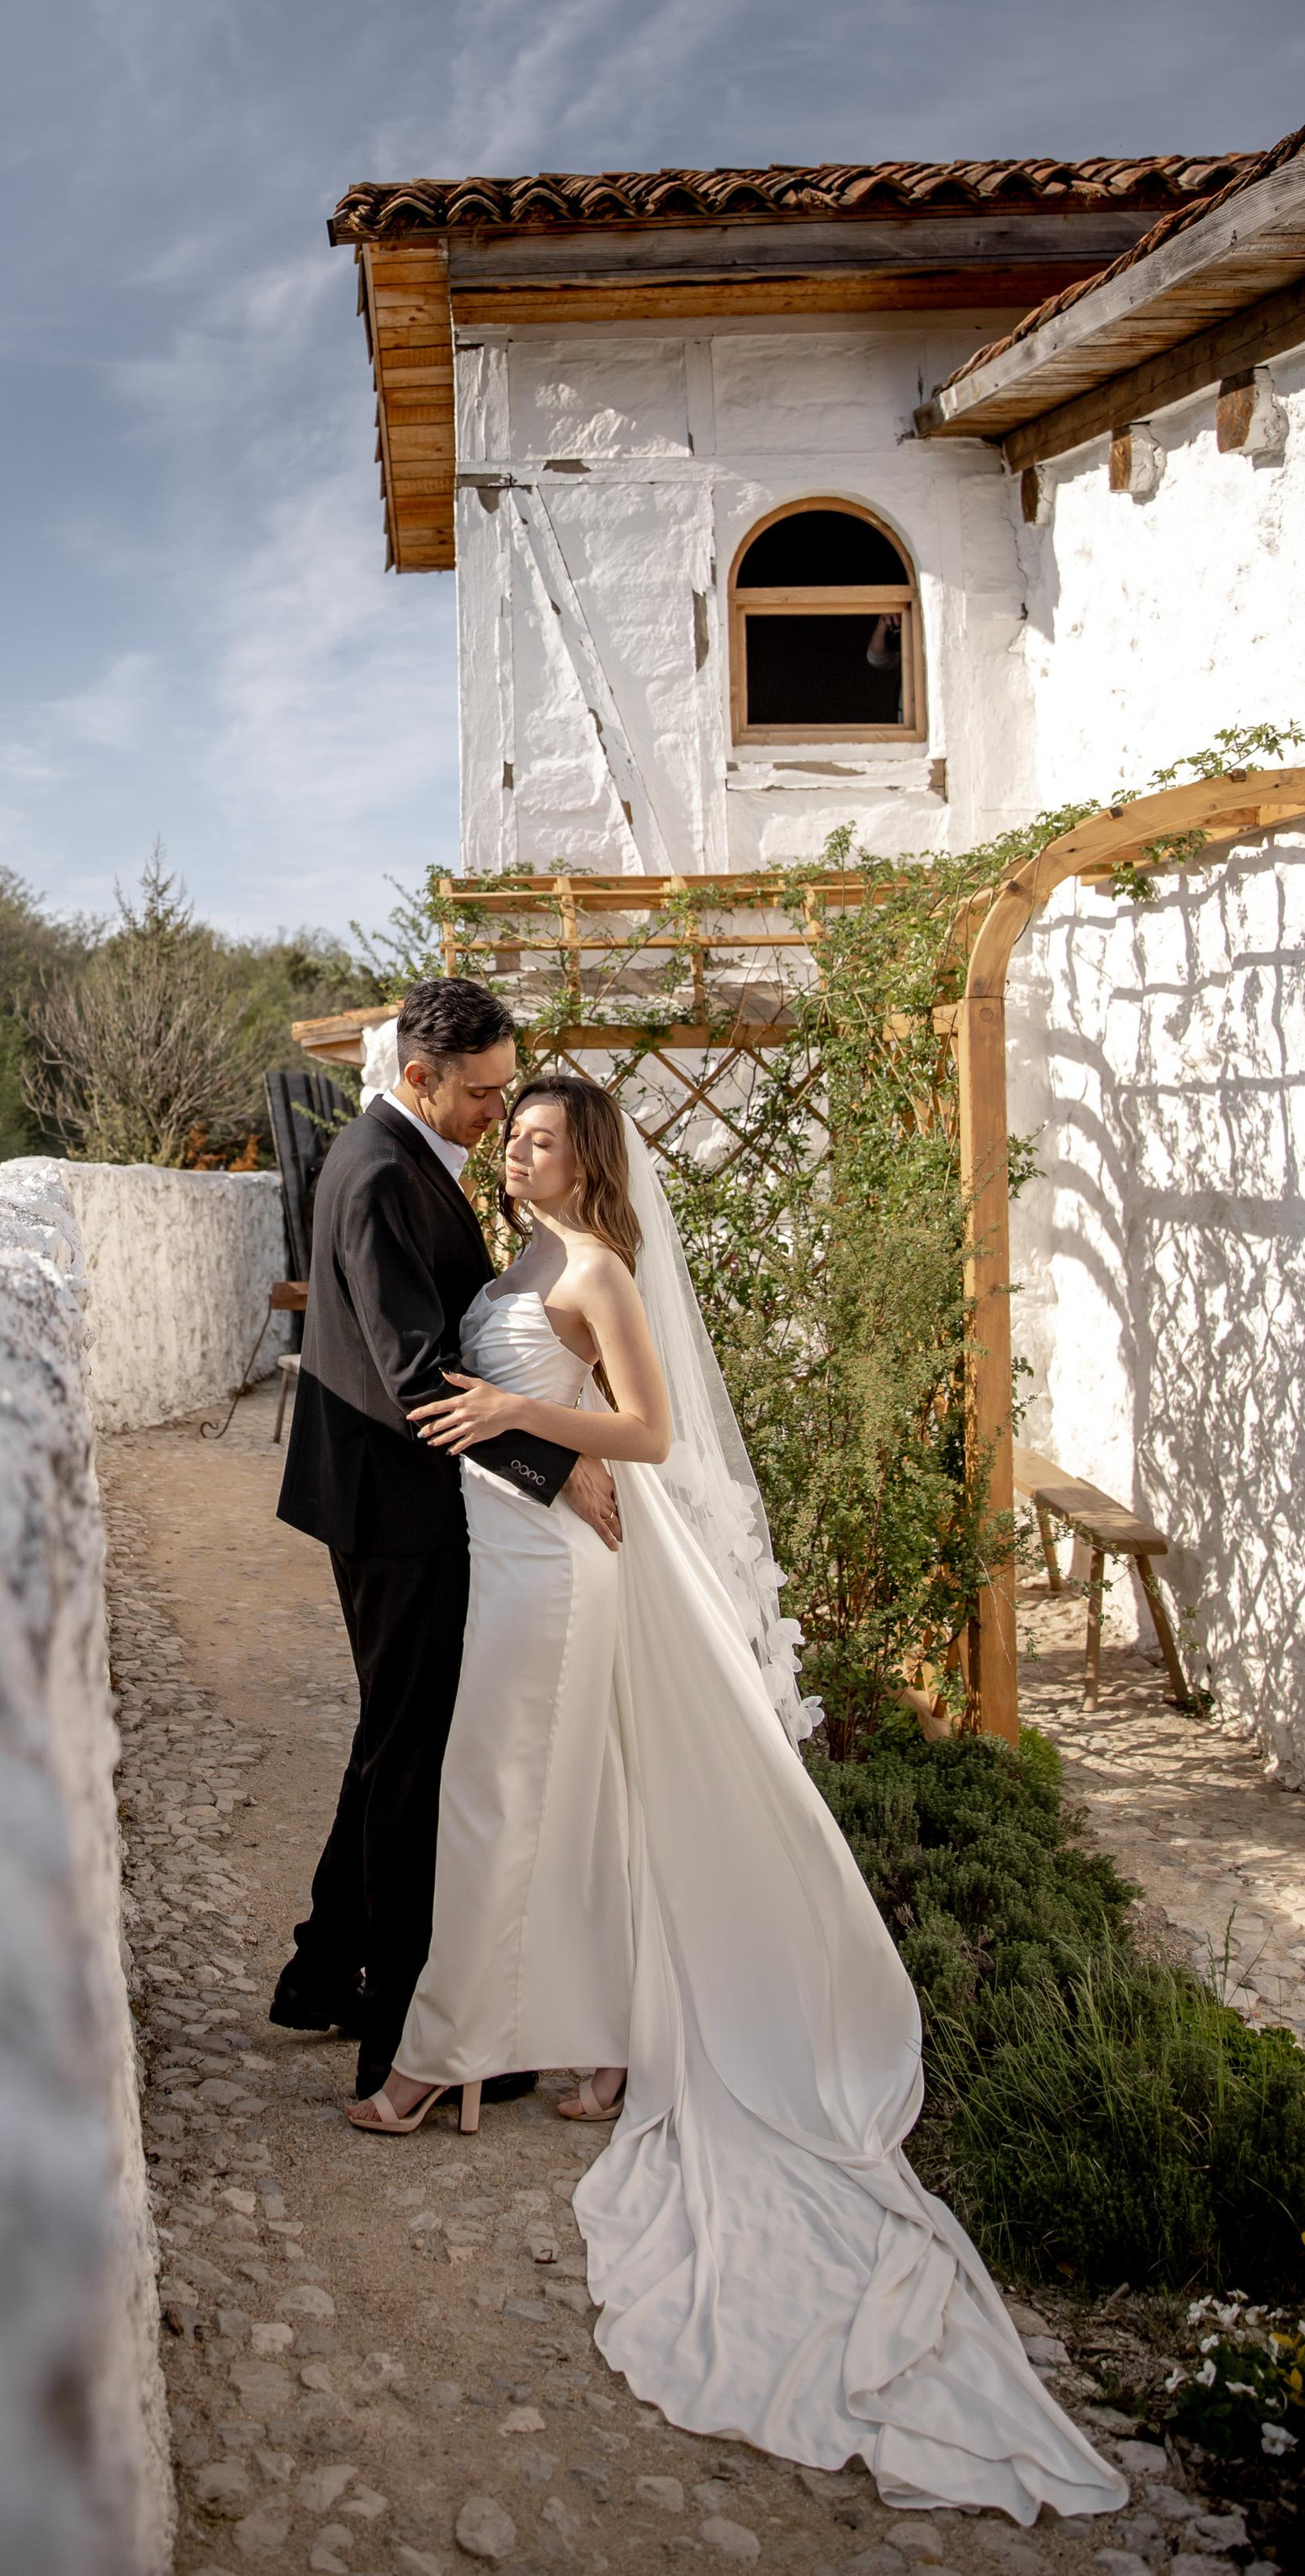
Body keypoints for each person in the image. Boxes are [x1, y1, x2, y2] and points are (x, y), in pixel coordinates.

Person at [349, 1065, 1127, 2528]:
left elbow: (644, 1433)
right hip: (506, 1549)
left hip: (555, 1579)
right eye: (511, 1136)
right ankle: (595, 2048)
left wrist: (531, 1417)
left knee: (491, 1805)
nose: (520, 1157)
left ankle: (431, 2060)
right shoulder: (516, 1252)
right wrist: (528, 1438)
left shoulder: (594, 1271)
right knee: (550, 1808)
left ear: (593, 1165)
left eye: (546, 1143)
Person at [271, 978, 616, 2107]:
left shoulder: (408, 1156)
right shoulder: (377, 1174)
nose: (495, 1110)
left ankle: (325, 1972)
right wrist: (556, 1469)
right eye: (479, 1092)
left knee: (390, 1736)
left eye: (505, 1087)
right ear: (417, 1079)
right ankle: (397, 2036)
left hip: (394, 1497)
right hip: (397, 1505)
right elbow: (422, 1385)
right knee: (414, 1762)